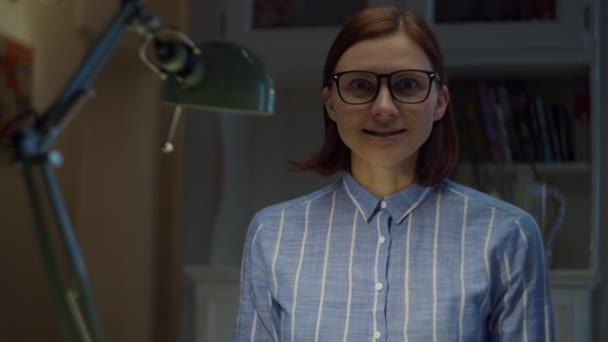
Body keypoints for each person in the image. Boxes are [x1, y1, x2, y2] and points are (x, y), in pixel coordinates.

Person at [233, 6, 555, 342]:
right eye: (360, 85)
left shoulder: (507, 235)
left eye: (407, 84)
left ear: (440, 102)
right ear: (330, 103)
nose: (383, 108)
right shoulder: (273, 235)